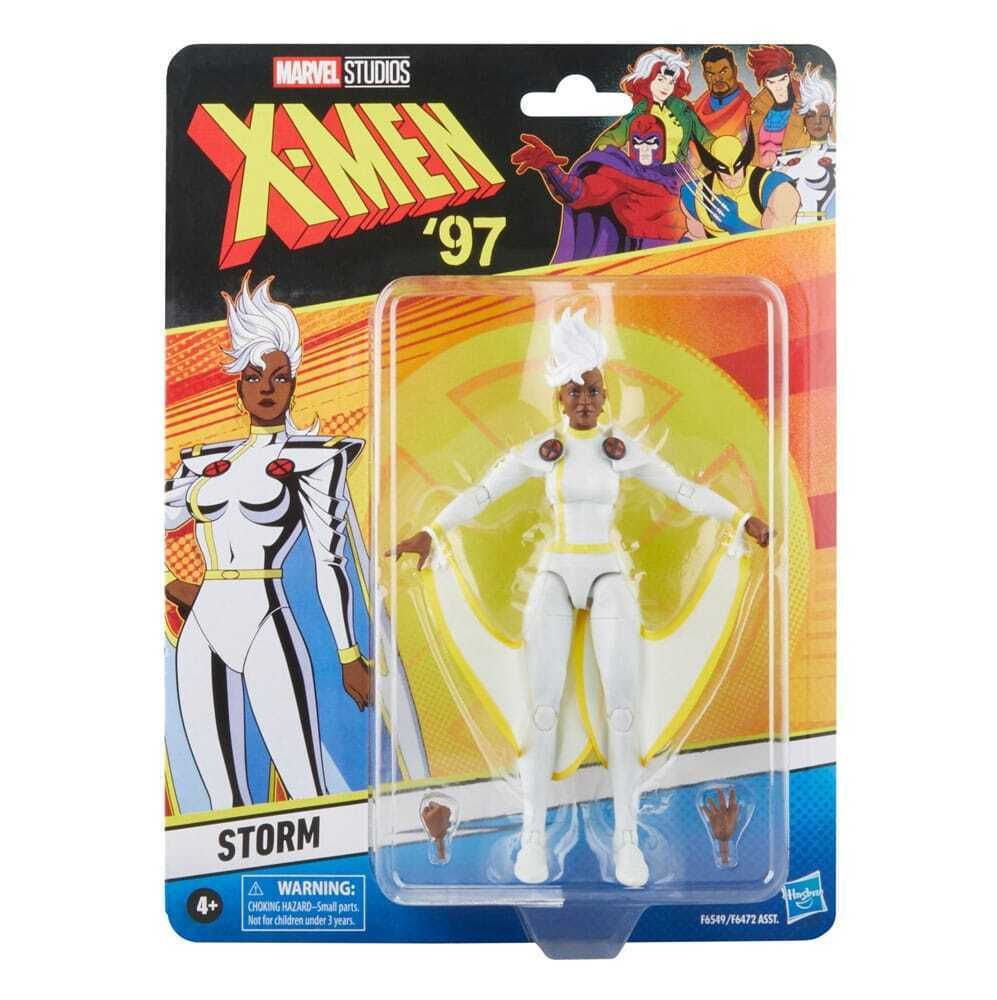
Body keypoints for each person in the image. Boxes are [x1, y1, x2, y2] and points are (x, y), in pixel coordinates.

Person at [388, 308, 769, 887]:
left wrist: (741, 519)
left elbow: (683, 490)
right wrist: (432, 531)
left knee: (623, 708)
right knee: (541, 710)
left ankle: (627, 841)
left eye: (592, 389)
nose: (584, 400)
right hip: (558, 573)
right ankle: (533, 838)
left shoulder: (621, 449)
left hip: (609, 573)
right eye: (574, 391)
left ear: (605, 394)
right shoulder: (546, 450)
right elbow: (485, 491)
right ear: (559, 398)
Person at [165, 273, 371, 809]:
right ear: (238, 386)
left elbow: (330, 559)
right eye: (254, 376)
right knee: (222, 806)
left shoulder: (313, 459)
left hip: (265, 620)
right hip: (203, 631)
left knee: (308, 792)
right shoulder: (204, 463)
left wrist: (349, 653)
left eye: (278, 377)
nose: (265, 388)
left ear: (294, 383)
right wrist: (171, 584)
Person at [510, 114, 687, 261]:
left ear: (662, 142)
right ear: (630, 144)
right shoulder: (619, 174)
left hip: (690, 254)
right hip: (645, 261)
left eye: (651, 142)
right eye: (638, 142)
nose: (645, 149)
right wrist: (550, 168)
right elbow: (580, 193)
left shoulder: (679, 172)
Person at [680, 133, 801, 238]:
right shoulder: (694, 194)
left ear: (745, 160)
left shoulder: (777, 190)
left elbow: (779, 243)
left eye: (737, 166)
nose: (732, 174)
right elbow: (694, 238)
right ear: (714, 167)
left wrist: (736, 225)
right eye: (723, 168)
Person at [774, 64, 836, 223]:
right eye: (811, 115)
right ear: (804, 121)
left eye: (824, 116)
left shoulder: (837, 156)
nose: (817, 122)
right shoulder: (784, 159)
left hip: (822, 228)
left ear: (830, 121)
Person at [746, 45, 810, 166]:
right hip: (759, 174)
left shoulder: (804, 109)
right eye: (771, 82)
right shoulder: (758, 112)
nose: (778, 87)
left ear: (789, 77)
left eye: (782, 79)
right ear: (765, 84)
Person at [692, 45, 752, 137]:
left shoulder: (751, 109)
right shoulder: (695, 110)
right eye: (711, 74)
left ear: (735, 70)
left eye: (723, 72)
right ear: (704, 76)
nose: (717, 78)